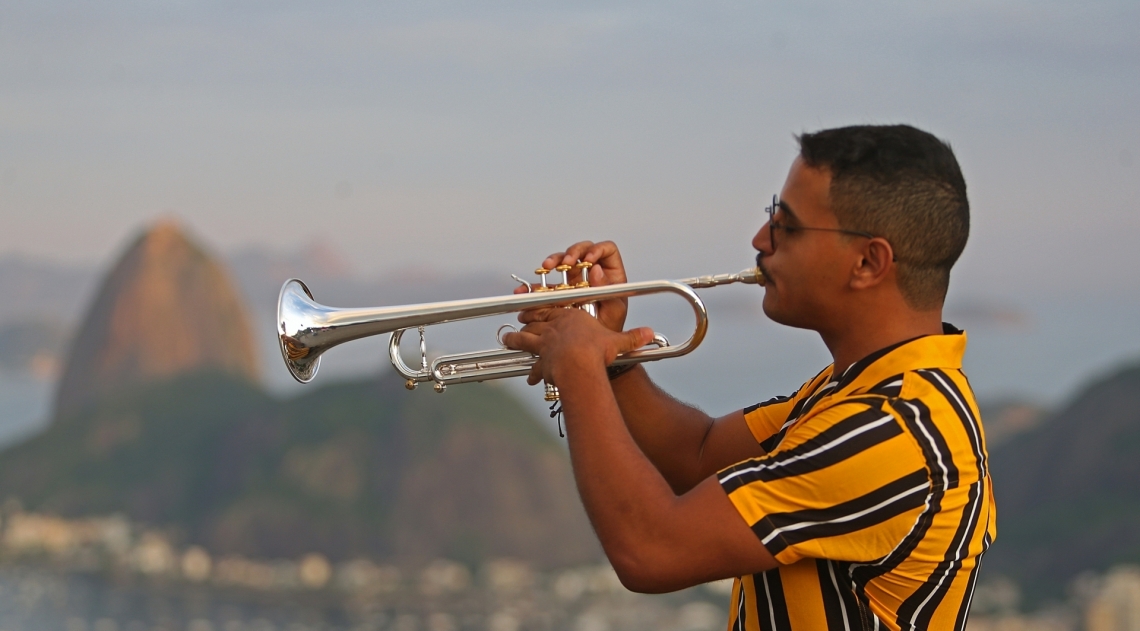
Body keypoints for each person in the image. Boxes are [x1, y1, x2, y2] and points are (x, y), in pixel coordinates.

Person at [503, 124, 995, 630]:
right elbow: (699, 454)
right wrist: (611, 357)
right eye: (770, 217)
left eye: (788, 226)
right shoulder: (859, 392)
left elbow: (650, 551)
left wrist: (581, 370)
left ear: (868, 262)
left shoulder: (893, 433)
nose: (760, 240)